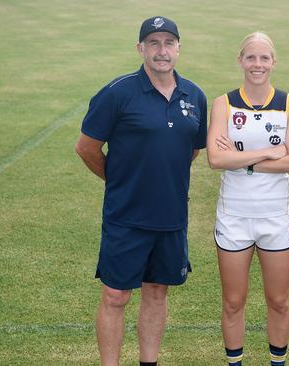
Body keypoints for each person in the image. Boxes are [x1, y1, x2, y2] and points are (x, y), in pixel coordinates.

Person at [75, 16, 207, 366]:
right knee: (116, 295)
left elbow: (192, 149)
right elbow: (86, 148)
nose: (161, 51)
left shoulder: (194, 95)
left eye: (168, 43)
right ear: (141, 49)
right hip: (126, 217)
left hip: (171, 217)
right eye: (153, 43)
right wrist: (119, 180)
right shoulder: (117, 92)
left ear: (178, 48)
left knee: (157, 292)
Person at [207, 31, 289, 366]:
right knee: (233, 301)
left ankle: (278, 362)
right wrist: (267, 153)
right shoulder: (224, 103)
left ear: (273, 62)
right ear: (240, 61)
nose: (257, 64)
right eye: (251, 57)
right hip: (234, 216)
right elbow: (215, 160)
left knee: (278, 300)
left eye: (264, 58)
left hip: (276, 217)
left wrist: (242, 158)